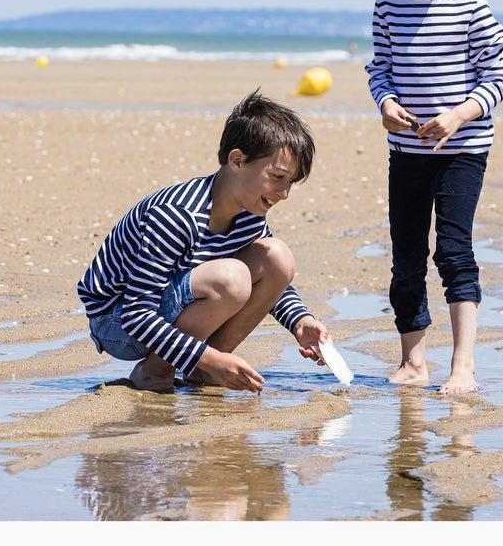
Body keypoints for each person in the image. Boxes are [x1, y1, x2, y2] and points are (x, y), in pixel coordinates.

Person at [77, 90, 331, 394]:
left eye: (291, 182)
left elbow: (274, 282)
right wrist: (212, 357)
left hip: (168, 308)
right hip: (117, 321)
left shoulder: (249, 211)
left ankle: (201, 373)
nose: (284, 193)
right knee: (232, 280)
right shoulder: (177, 216)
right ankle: (155, 372)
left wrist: (300, 322)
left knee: (277, 257)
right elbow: (136, 315)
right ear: (236, 160)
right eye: (277, 177)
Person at [365, 0, 503, 395]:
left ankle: (463, 366)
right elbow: (379, 70)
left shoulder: (472, 4)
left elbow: (498, 78)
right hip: (406, 151)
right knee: (406, 253)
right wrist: (385, 104)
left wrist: (457, 116)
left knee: (453, 250)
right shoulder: (388, 3)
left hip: (462, 152)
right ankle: (413, 361)